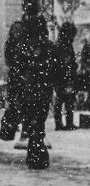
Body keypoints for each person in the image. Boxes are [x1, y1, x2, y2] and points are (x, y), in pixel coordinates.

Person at [11, 15, 60, 168]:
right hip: (43, 90)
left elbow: (16, 69)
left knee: (31, 121)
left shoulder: (23, 46)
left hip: (28, 90)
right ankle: (38, 152)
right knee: (39, 121)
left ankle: (35, 152)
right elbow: (56, 69)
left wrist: (16, 88)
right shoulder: (48, 46)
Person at [53, 21, 78, 131]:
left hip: (60, 76)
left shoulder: (60, 44)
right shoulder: (65, 46)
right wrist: (72, 67)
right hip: (65, 76)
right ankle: (68, 123)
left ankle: (59, 123)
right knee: (68, 100)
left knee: (61, 99)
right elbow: (67, 62)